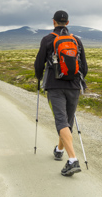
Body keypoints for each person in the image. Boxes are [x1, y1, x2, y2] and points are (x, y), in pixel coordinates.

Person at [34, 10, 88, 176]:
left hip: (54, 85)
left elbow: (38, 64)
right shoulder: (76, 40)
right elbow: (84, 67)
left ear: (54, 22)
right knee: (67, 121)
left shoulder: (48, 40)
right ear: (68, 22)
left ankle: (72, 160)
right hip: (73, 86)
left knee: (61, 121)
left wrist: (38, 78)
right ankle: (59, 150)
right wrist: (77, 81)